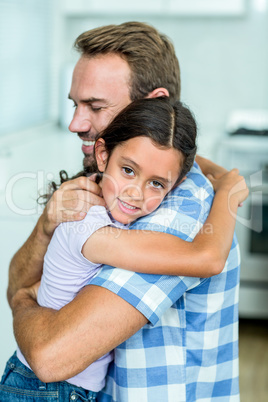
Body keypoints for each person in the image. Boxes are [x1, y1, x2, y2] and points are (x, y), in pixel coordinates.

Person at [4, 22, 248, 401]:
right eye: (75, 104)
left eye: (95, 106)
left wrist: (23, 302)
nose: (75, 124)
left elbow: (49, 357)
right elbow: (16, 280)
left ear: (154, 103)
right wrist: (46, 226)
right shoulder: (112, 193)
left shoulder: (173, 213)